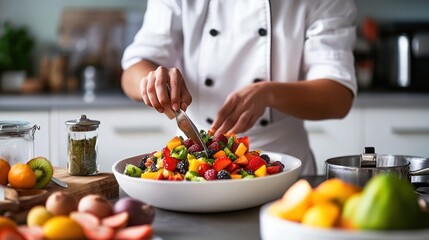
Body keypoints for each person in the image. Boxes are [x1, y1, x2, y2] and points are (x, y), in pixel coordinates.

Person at [121, 0, 357, 175]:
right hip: (196, 161)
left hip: (284, 164)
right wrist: (152, 81)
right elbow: (132, 71)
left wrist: (268, 93)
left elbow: (337, 97)